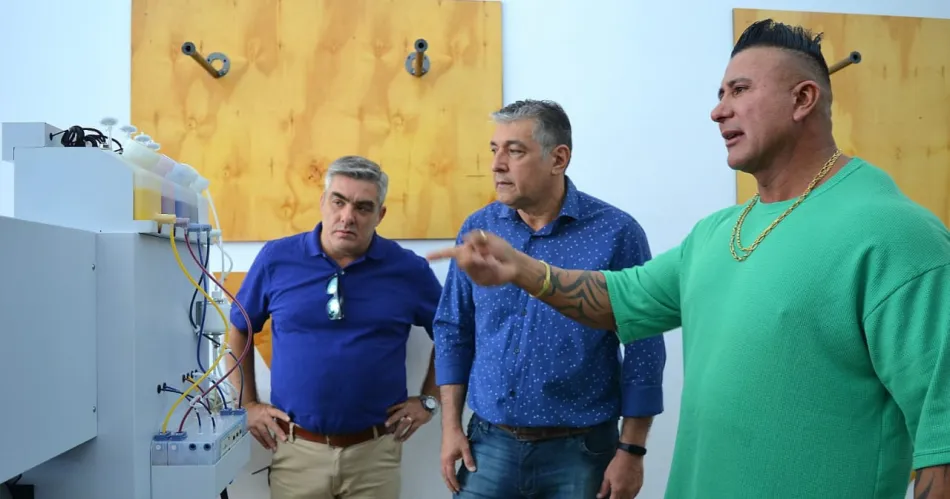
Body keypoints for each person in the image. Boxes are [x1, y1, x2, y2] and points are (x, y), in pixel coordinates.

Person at [427, 20, 950, 499]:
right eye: (720, 94)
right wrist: (520, 269)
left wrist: (630, 449)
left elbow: (941, 445)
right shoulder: (717, 233)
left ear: (803, 99)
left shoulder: (895, 234)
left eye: (739, 90)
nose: (718, 111)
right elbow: (619, 299)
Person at [433, 99, 666, 499]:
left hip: (582, 452)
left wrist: (632, 449)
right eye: (494, 149)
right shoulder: (479, 228)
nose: (497, 164)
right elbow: (454, 328)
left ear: (558, 159)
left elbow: (644, 345)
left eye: (514, 151)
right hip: (487, 447)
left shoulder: (616, 233)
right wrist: (450, 427)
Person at [226, 155, 444, 499]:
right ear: (322, 202)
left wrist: (429, 400)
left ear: (380, 214)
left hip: (375, 454)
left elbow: (453, 335)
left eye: (363, 207)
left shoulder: (408, 269)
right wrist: (247, 404)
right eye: (338, 202)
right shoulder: (277, 259)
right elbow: (240, 328)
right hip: (296, 451)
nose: (347, 216)